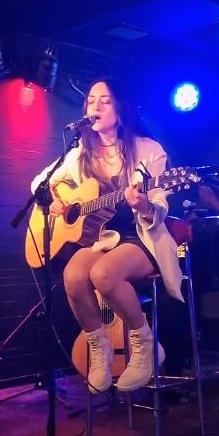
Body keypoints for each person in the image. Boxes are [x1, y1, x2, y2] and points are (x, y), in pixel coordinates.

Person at [31, 78, 183, 394]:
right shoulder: (79, 153)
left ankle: (146, 346)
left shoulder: (148, 149)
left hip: (140, 236)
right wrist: (53, 200)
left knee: (103, 274)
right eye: (91, 100)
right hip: (102, 238)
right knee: (73, 276)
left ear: (121, 108)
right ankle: (98, 348)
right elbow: (38, 183)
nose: (95, 107)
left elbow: (160, 204)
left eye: (105, 100)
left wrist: (143, 204)